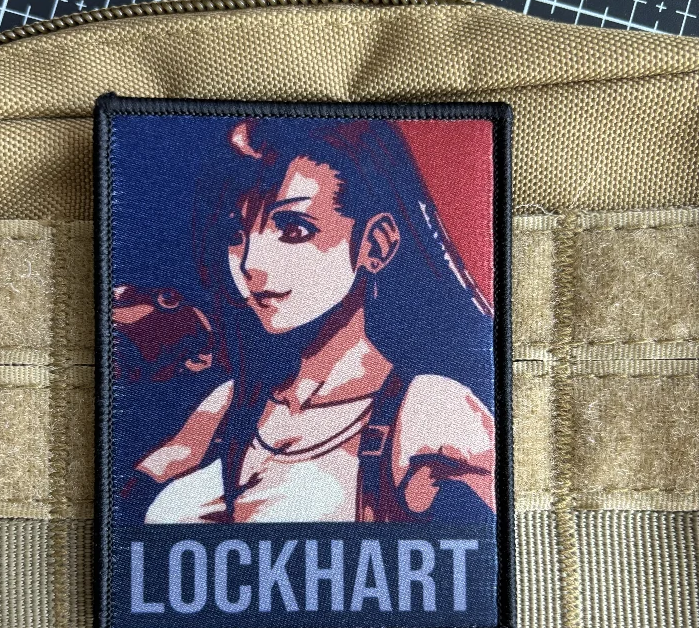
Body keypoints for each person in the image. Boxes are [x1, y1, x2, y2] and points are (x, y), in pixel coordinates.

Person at [127, 116, 496, 525]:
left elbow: (510, 522)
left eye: (293, 229)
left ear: (375, 244)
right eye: (235, 235)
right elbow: (123, 514)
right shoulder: (230, 403)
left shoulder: (429, 406)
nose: (250, 265)